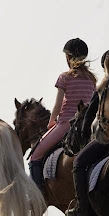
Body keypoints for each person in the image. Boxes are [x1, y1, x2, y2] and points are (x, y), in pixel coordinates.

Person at [65, 49, 109, 216]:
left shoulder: (105, 84)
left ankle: (81, 206)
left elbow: (89, 117)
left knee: (79, 163)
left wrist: (85, 133)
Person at [28, 38, 96, 188]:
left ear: (68, 57)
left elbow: (58, 105)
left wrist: (51, 122)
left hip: (66, 124)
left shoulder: (64, 77)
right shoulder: (92, 78)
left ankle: (39, 196)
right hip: (87, 126)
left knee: (35, 156)